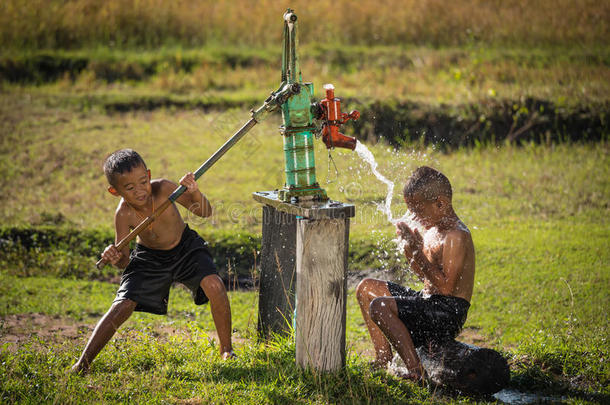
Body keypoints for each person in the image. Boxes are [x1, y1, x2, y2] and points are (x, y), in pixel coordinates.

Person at [71, 149, 233, 374]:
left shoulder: (165, 189)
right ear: (114, 191)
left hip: (186, 248)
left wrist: (194, 192)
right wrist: (116, 256)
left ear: (148, 175)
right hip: (149, 258)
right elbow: (124, 261)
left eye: (143, 182)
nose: (139, 191)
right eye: (129, 188)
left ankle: (227, 350)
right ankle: (82, 364)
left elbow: (205, 212)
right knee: (122, 305)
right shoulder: (123, 214)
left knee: (214, 284)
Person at [356, 166, 475, 382]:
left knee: (380, 306)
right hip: (430, 302)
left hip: (448, 313)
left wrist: (418, 253)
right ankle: (384, 361)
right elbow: (427, 279)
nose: (413, 216)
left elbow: (446, 288)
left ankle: (416, 371)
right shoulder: (432, 230)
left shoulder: (456, 235)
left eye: (417, 210)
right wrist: (409, 251)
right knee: (366, 288)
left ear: (440, 203)